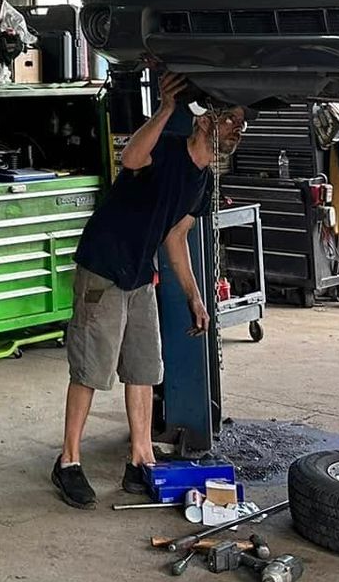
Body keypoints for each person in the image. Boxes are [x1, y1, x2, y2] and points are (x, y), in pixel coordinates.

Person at [51, 72, 250, 509]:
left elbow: (176, 238)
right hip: (104, 265)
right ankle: (68, 461)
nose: (238, 128)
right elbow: (131, 158)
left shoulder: (204, 182)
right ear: (204, 122)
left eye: (242, 123)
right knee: (91, 366)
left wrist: (195, 296)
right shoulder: (164, 150)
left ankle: (140, 458)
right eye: (231, 119)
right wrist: (164, 110)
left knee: (144, 366)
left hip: (141, 273)